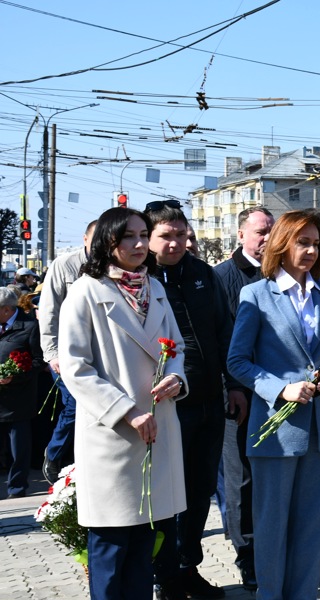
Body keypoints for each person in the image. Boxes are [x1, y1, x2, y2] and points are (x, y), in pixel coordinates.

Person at [58, 207, 188, 600]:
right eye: (128, 236)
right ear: (107, 242)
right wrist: (126, 411)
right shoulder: (85, 291)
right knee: (112, 547)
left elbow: (177, 346)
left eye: (143, 235)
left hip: (158, 427)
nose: (139, 244)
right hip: (113, 434)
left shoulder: (155, 288)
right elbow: (75, 368)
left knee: (144, 546)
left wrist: (176, 378)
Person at [226, 209, 320, 600]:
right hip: (275, 430)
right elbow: (237, 361)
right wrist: (281, 389)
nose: (311, 250)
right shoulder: (256, 294)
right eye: (303, 242)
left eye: (316, 243)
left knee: (311, 525)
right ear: (282, 243)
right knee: (272, 524)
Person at [144, 201, 243, 600]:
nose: (175, 243)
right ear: (148, 239)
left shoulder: (202, 273)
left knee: (200, 491)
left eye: (182, 235)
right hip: (167, 405)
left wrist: (233, 384)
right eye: (166, 236)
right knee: (169, 494)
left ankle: (188, 569)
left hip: (209, 400)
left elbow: (224, 331)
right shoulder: (142, 279)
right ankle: (162, 575)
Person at [213, 206, 274, 591]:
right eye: (260, 231)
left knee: (270, 478)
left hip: (278, 393)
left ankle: (270, 547)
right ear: (240, 235)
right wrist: (231, 387)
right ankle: (246, 553)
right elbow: (220, 339)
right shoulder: (222, 277)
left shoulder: (278, 274)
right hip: (239, 394)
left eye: (271, 230)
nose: (267, 237)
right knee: (241, 481)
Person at [40, 220, 96, 483]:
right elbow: (49, 311)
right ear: (84, 238)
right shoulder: (64, 265)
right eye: (94, 238)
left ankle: (79, 462)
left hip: (96, 352)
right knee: (74, 405)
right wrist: (52, 354)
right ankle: (54, 454)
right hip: (65, 353)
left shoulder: (111, 265)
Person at [0, 287, 43, 499]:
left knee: (19, 449)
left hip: (19, 401)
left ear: (7, 310)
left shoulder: (29, 327)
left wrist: (15, 376)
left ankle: (17, 489)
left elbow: (38, 361)